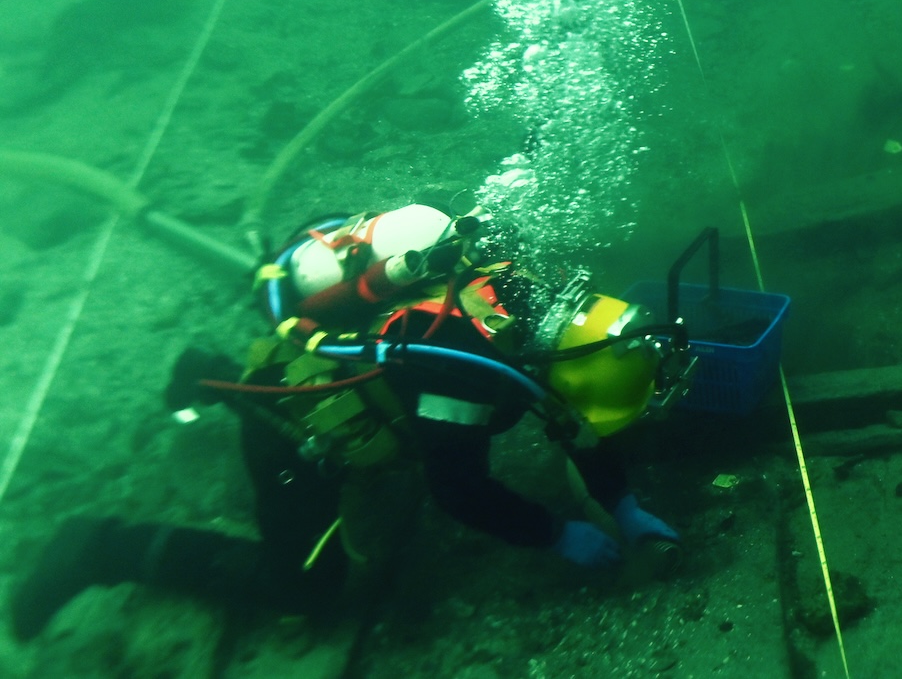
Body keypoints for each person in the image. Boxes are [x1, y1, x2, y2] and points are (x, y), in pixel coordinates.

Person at [9, 203, 687, 642]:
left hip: (383, 366)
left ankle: (219, 378)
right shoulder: (464, 369)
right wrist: (553, 532)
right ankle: (96, 547)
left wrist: (620, 502)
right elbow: (458, 492)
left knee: (420, 434)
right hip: (295, 411)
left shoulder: (541, 299)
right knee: (304, 586)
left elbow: (571, 416)